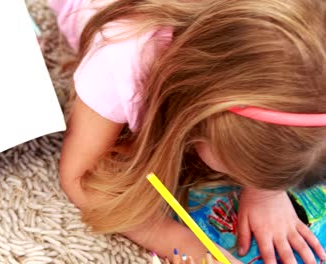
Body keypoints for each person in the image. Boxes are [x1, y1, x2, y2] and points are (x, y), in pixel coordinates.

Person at [50, 0, 326, 263]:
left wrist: (266, 193)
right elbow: (79, 177)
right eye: (239, 170)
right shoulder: (120, 56)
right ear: (197, 114)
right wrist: (182, 243)